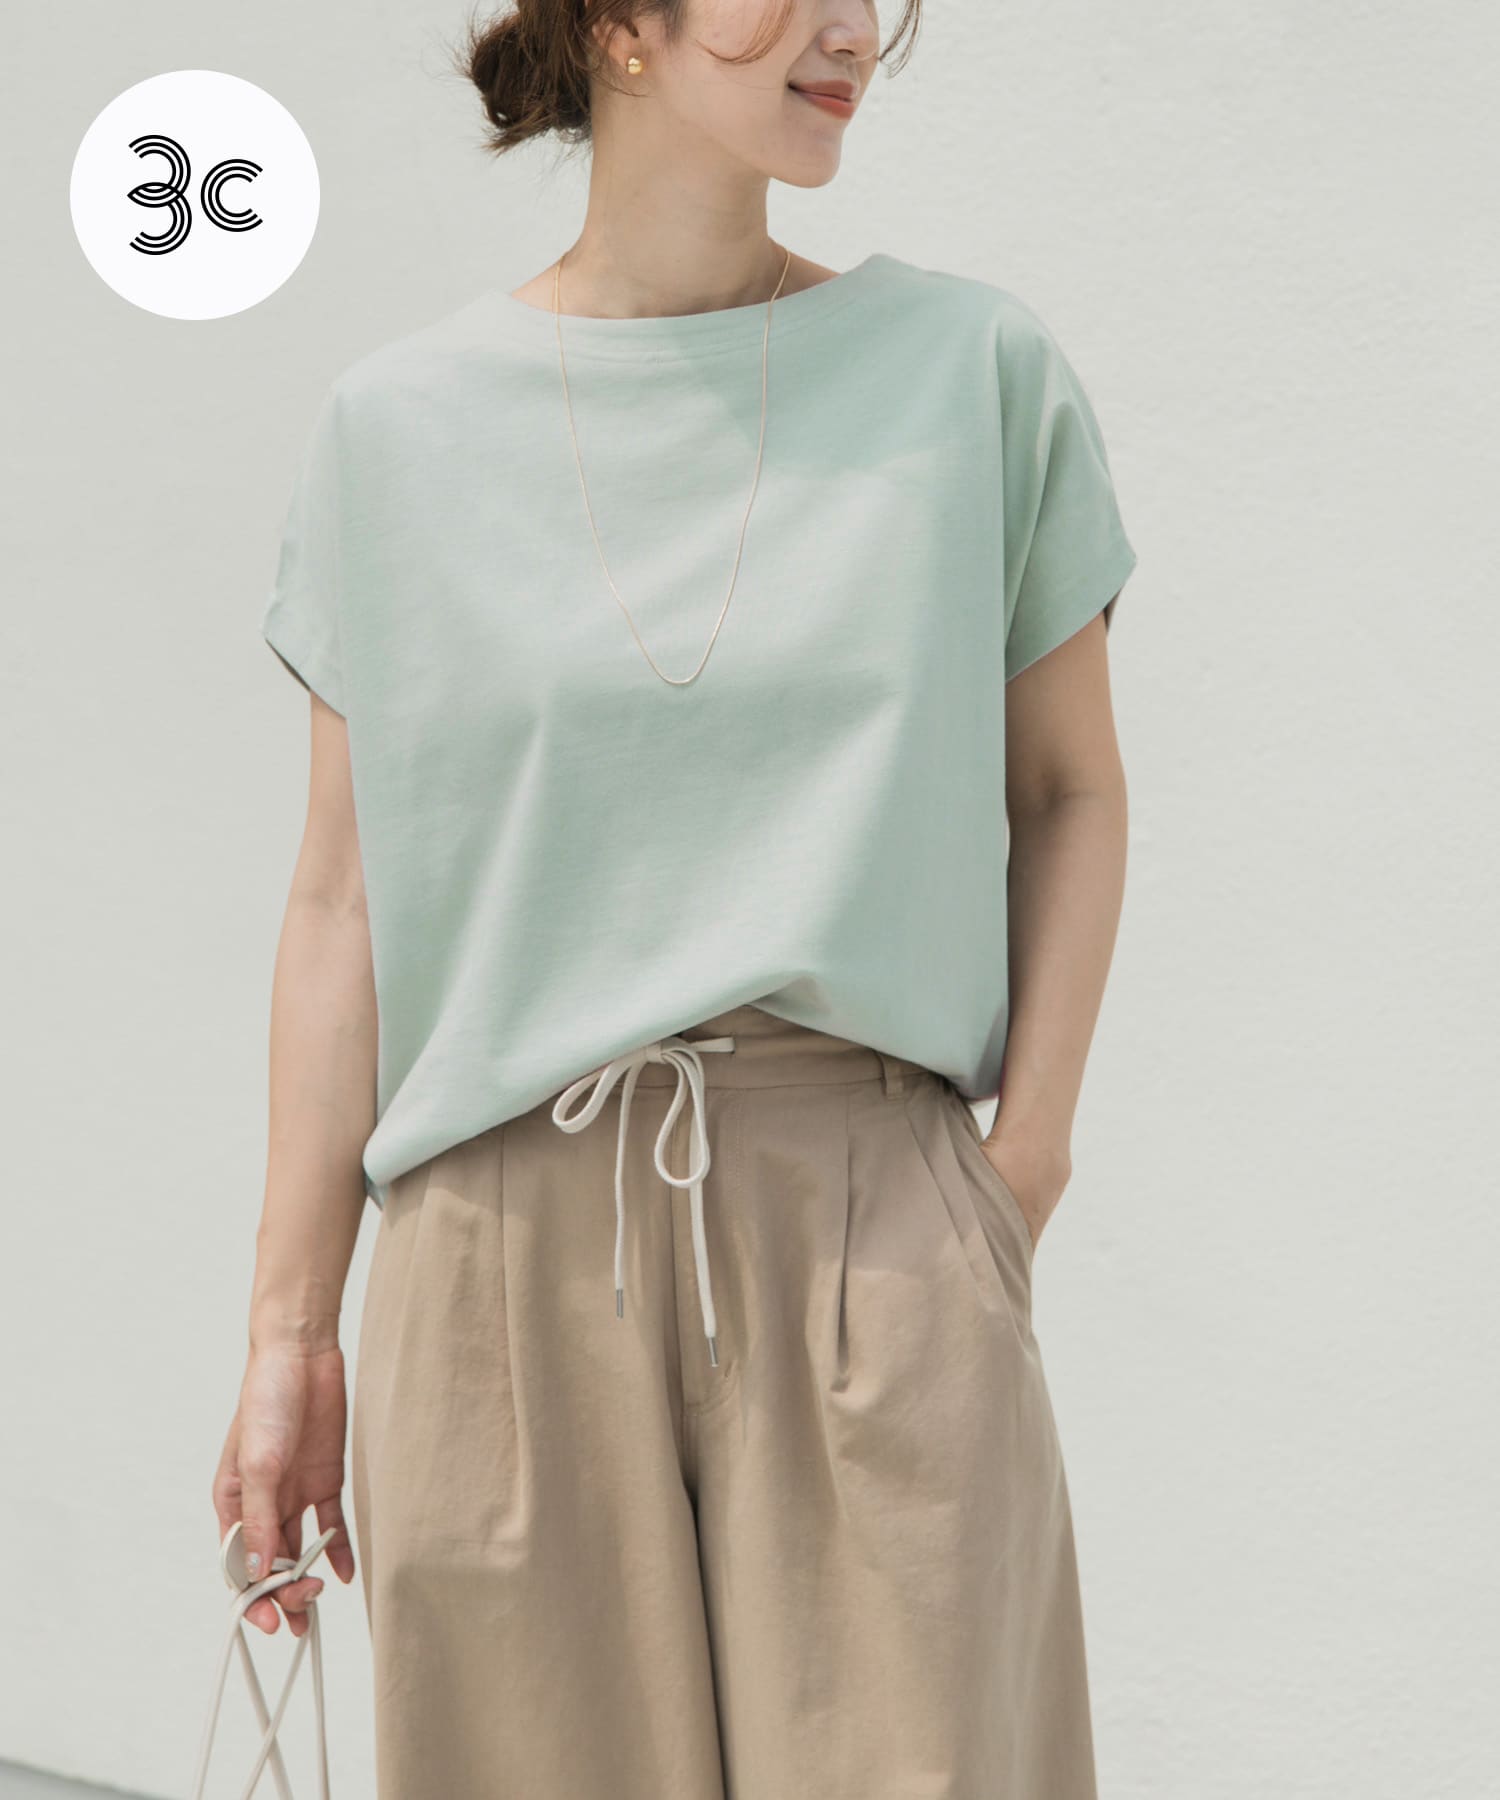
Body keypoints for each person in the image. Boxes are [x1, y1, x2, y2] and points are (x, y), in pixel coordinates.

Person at [212, 0, 1140, 1793]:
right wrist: (288, 1333)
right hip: (498, 1270)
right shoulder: (398, 431)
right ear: (620, 24)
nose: (852, 29)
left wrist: (1015, 1174)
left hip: (872, 1227)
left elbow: (1070, 791)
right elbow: (341, 904)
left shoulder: (972, 373)